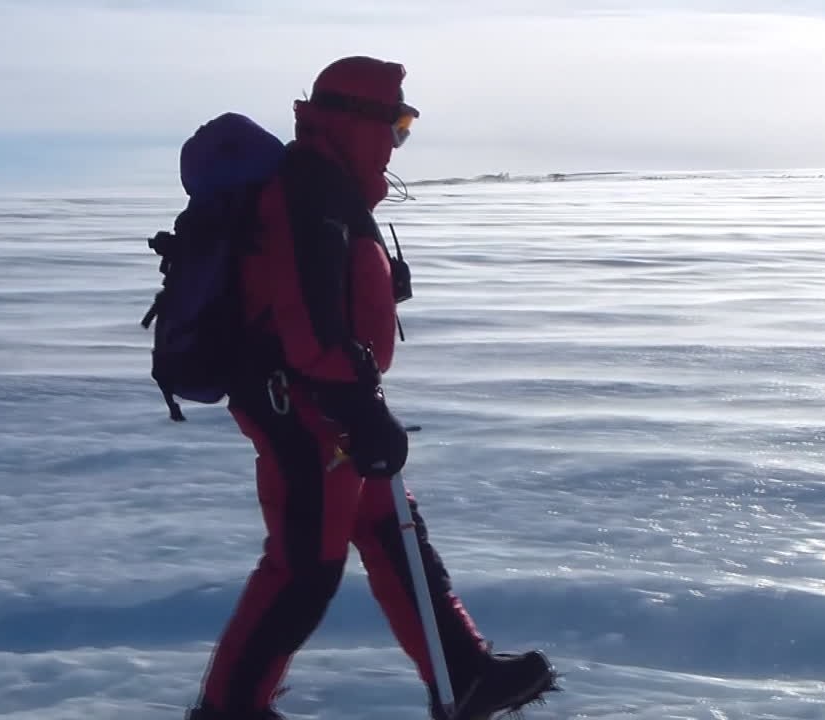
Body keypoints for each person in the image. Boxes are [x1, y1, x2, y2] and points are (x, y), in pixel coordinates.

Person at [187, 56, 559, 720]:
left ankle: (464, 673)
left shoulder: (331, 190)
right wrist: (356, 406)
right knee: (303, 570)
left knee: (397, 541)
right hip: (306, 409)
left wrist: (379, 305)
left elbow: (328, 300)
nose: (399, 139)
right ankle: (229, 710)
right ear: (356, 121)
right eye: (399, 121)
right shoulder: (310, 192)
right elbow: (305, 322)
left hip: (332, 404)